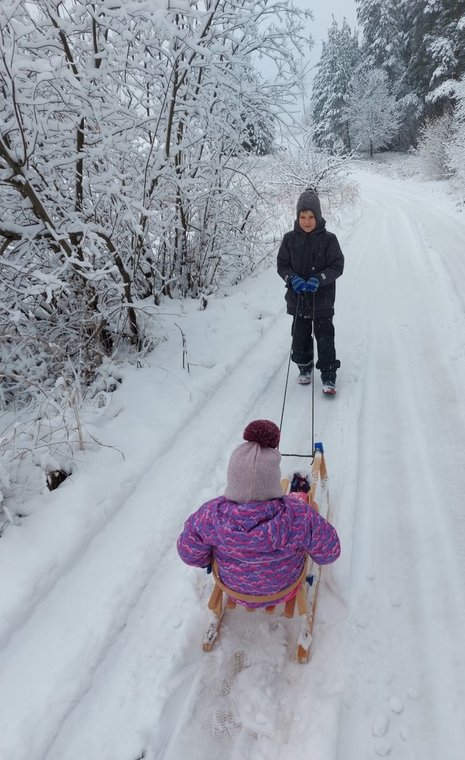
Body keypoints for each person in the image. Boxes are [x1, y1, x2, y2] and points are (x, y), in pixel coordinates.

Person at [177, 419, 340, 608]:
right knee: (309, 507)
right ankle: (299, 492)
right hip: (285, 588)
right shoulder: (299, 515)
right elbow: (330, 553)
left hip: (233, 589)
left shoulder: (210, 515)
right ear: (273, 480)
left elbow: (188, 553)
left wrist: (209, 557)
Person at [277, 188, 344, 395]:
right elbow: (282, 265)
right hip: (298, 299)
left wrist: (319, 278)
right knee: (300, 335)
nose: (307, 221)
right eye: (302, 216)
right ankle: (304, 367)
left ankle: (328, 375)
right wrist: (292, 278)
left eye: (311, 217)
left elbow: (337, 266)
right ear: (297, 217)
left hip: (322, 299)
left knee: (324, 336)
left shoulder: (329, 239)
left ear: (318, 216)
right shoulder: (289, 239)